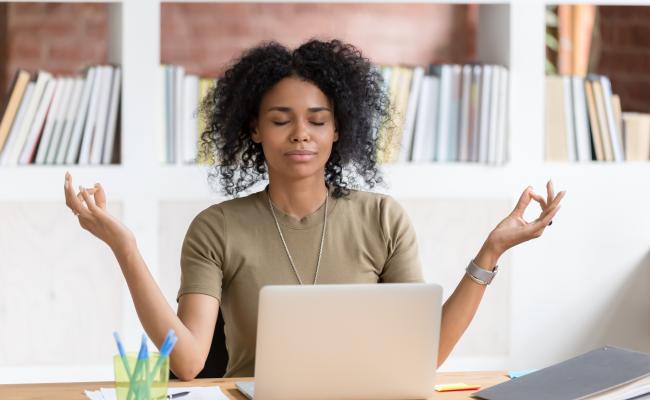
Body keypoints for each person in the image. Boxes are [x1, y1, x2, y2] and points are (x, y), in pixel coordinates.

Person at [63, 39, 565, 381]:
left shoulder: (383, 219)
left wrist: (491, 250)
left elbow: (423, 356)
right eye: (281, 120)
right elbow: (190, 363)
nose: (301, 133)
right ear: (254, 130)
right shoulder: (216, 228)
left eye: (317, 120)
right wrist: (124, 248)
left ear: (338, 129)